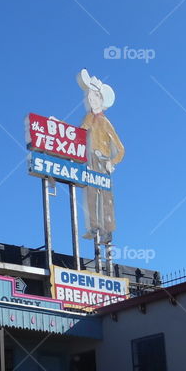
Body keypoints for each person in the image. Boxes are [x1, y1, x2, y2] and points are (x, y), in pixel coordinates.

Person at [77, 69, 124, 245]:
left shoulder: (105, 122)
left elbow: (120, 149)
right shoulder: (89, 117)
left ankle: (107, 232)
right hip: (91, 160)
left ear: (101, 99)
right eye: (89, 96)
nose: (91, 99)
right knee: (90, 193)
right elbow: (78, 133)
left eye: (94, 96)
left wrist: (112, 162)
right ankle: (94, 227)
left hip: (103, 160)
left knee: (105, 197)